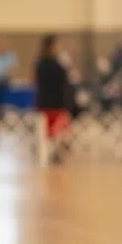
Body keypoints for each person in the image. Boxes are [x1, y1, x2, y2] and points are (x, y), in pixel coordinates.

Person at [34, 34, 70, 162]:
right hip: (47, 105)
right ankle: (48, 155)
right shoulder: (44, 64)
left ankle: (57, 154)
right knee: (47, 135)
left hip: (57, 104)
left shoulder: (50, 63)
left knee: (59, 134)